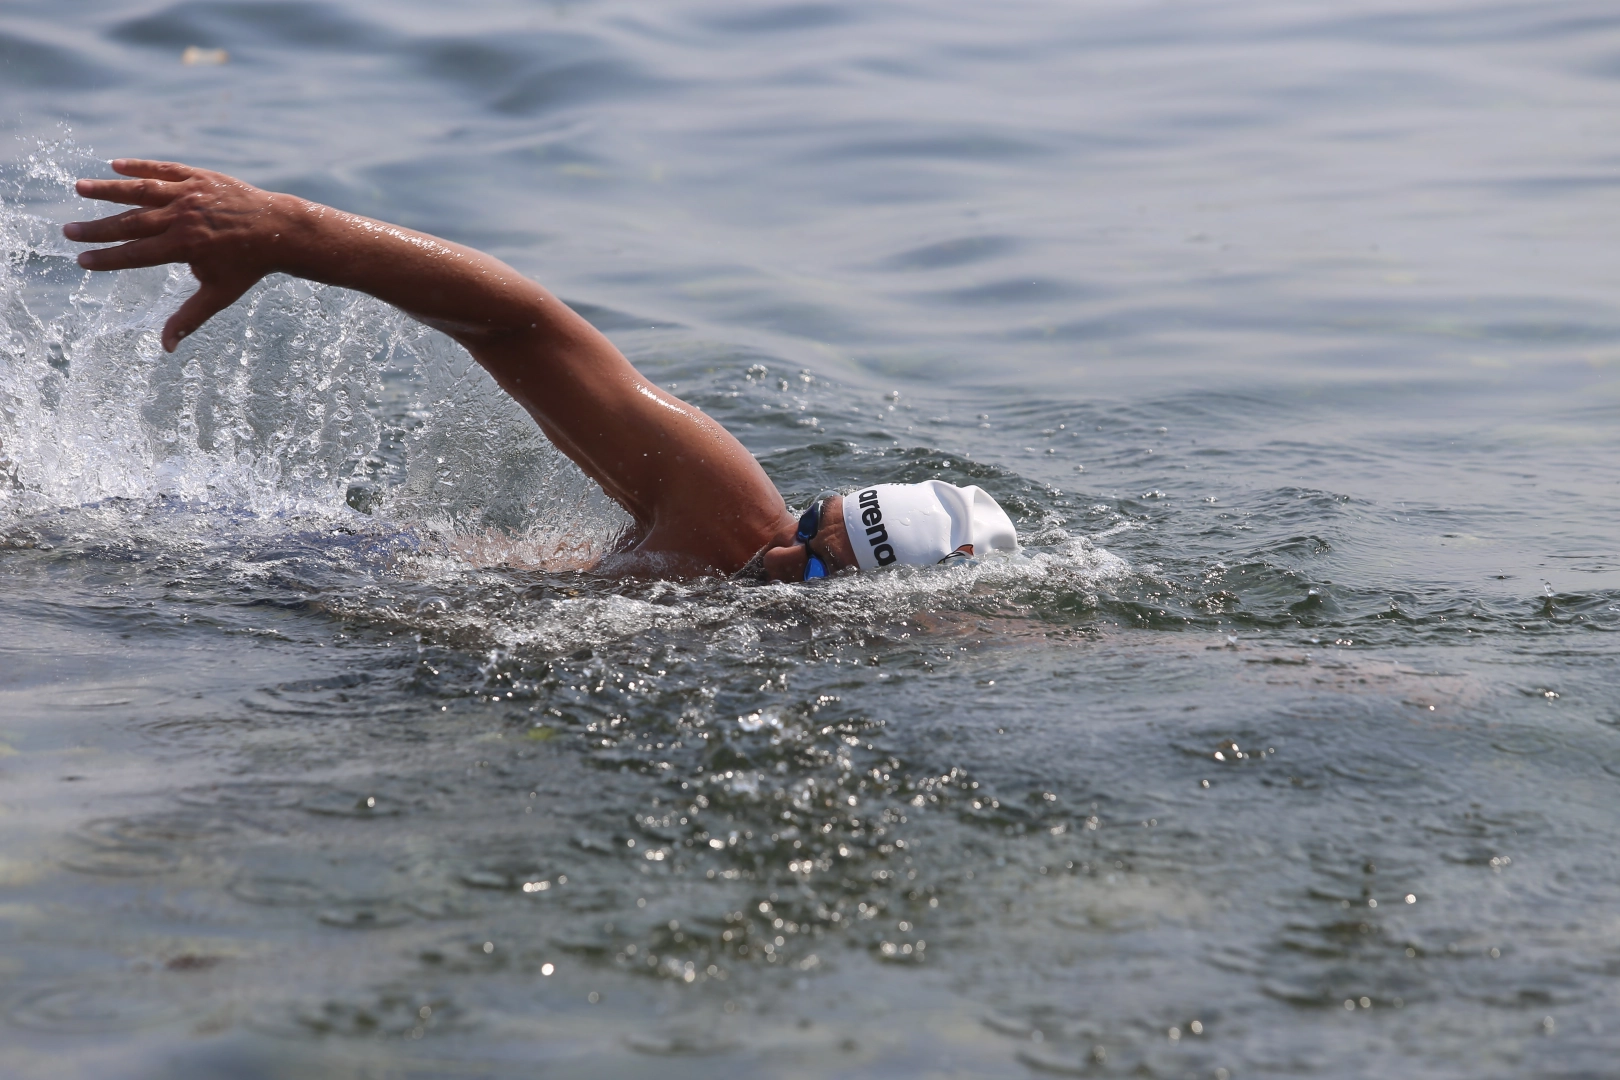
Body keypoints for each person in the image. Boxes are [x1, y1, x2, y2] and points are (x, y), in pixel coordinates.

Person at [63, 159, 1018, 581]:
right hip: (279, 561)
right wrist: (292, 230)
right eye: (815, 524)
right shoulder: (726, 519)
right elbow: (522, 326)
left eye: (817, 573)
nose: (783, 553)